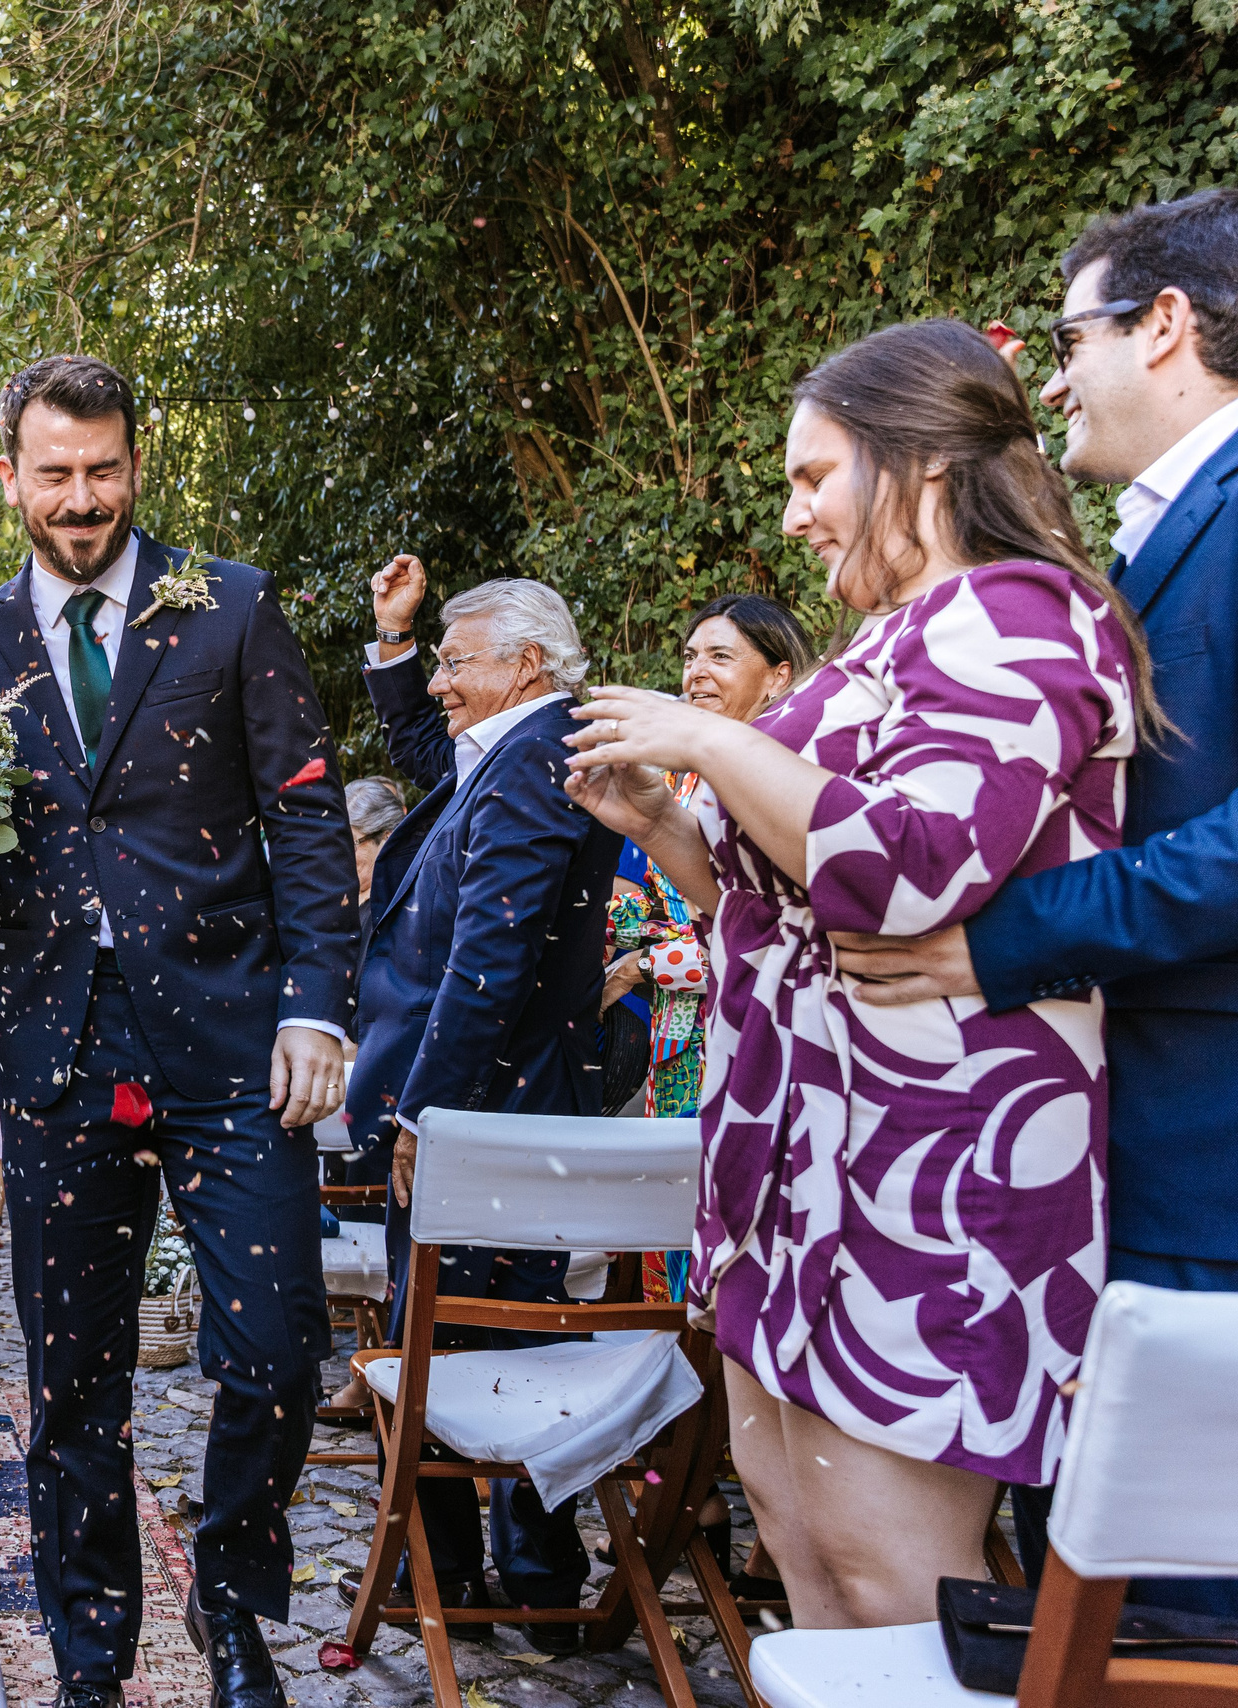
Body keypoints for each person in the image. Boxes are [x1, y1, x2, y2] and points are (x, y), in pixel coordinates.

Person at [567, 317, 1154, 1629]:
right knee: (811, 1563)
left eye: (814, 475)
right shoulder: (894, 638)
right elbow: (778, 913)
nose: (797, 513)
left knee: (898, 1587)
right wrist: (665, 824)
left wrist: (703, 746)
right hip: (796, 1171)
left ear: (923, 473)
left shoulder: (1024, 617)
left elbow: (913, 867)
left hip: (926, 1178)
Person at [0, 356, 358, 1708]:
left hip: (232, 1044)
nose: (82, 499)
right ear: (12, 478)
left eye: (104, 472)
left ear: (136, 468)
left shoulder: (230, 607)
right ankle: (92, 1666)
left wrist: (317, 1001)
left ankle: (230, 1597)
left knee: (277, 1349)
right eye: (56, 475)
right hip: (60, 1047)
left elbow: (307, 817)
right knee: (74, 1386)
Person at [832, 190, 1238, 1620]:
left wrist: (1001, 940)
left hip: (1214, 1143)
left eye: (1073, 334)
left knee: (1184, 1614)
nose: (1052, 376)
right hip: (1152, 1132)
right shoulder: (1156, 536)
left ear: (1169, 327)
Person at [348, 562, 624, 1651]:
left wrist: (427, 1115)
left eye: (456, 665)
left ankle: (477, 1586)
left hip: (489, 1117)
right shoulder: (516, 751)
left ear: (525, 663)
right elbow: (433, 777)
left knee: (470, 1349)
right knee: (500, 1336)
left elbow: (488, 963)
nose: (440, 687)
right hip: (507, 1111)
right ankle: (522, 1582)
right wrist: (396, 643)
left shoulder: (530, 761)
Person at [608, 595, 818, 1131]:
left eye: (719, 657)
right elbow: (669, 911)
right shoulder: (679, 780)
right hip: (674, 1044)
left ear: (778, 675)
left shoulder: (794, 775)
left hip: (761, 1037)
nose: (696, 673)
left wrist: (643, 966)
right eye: (689, 657)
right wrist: (591, 922)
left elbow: (784, 929)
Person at [343, 775, 406, 972]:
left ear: (387, 839)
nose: (340, 857)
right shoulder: (338, 900)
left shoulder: (397, 913)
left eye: (351, 844)